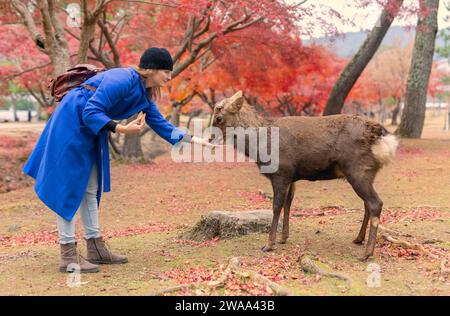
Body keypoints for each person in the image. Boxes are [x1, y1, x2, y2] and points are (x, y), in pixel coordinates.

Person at [22, 47, 216, 273]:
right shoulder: (122, 78)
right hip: (72, 122)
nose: (169, 77)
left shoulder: (144, 94)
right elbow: (91, 110)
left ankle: (95, 246)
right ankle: (67, 254)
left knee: (91, 186)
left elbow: (162, 126)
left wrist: (197, 140)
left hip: (90, 129)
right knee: (68, 188)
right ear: (151, 69)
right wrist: (121, 128)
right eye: (166, 71)